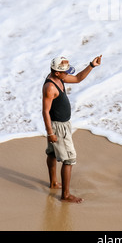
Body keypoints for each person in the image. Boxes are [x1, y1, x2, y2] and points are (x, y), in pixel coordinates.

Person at [42, 54, 102, 203]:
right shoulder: (50, 87)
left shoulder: (59, 79)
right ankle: (65, 195)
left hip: (60, 126)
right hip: (58, 128)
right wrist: (50, 132)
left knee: (52, 153)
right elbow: (45, 111)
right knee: (69, 160)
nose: (68, 74)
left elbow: (78, 78)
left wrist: (91, 65)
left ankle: (54, 182)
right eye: (65, 72)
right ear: (57, 72)